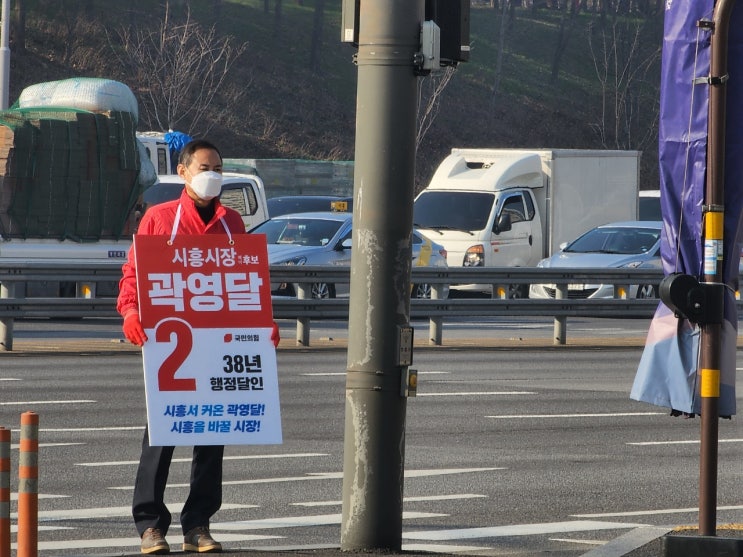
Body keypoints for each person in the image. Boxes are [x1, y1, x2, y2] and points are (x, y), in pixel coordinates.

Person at [117, 139, 280, 555]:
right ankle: (150, 526)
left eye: (219, 168)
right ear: (184, 170)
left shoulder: (232, 223)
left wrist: (265, 325)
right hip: (171, 342)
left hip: (216, 341)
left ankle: (198, 524)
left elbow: (247, 282)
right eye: (206, 166)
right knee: (162, 431)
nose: (213, 175)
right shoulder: (159, 219)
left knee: (213, 432)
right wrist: (132, 311)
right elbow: (133, 273)